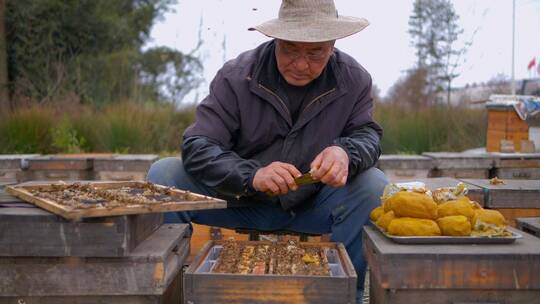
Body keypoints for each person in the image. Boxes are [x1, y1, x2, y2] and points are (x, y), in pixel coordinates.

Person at [147, 0, 388, 302]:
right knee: (164, 174)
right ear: (275, 39)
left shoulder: (354, 79)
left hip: (312, 205)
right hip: (238, 199)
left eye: (316, 53)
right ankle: (166, 293)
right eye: (290, 49)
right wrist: (252, 175)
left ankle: (343, 296)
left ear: (332, 44)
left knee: (374, 186)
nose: (301, 65)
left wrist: (345, 154)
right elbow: (198, 146)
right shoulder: (237, 75)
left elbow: (367, 135)